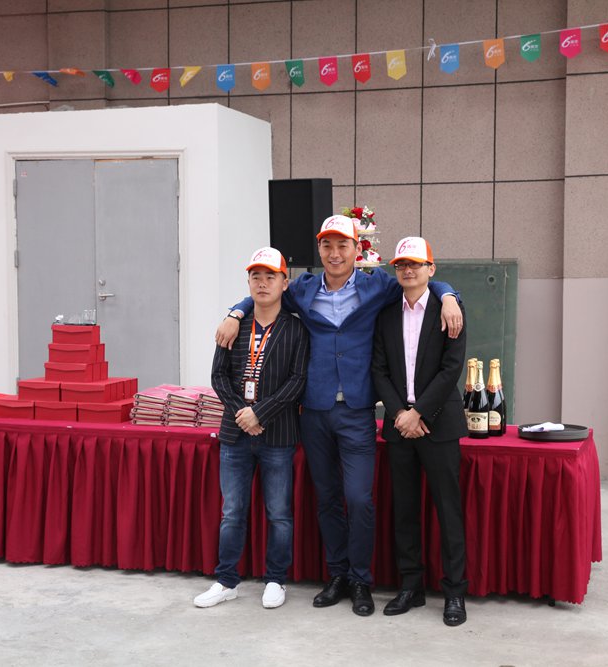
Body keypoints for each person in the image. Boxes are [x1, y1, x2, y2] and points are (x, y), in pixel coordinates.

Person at [215, 215, 463, 616]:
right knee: (328, 498)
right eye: (327, 246)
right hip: (314, 410)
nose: (334, 253)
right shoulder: (303, 289)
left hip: (357, 410)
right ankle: (338, 575)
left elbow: (419, 280)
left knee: (359, 498)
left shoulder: (377, 285)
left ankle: (362, 580)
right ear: (319, 249)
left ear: (356, 250)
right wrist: (235, 311)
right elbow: (265, 293)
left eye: (342, 245)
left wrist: (449, 294)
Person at [196, 247, 309, 610]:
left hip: (278, 435)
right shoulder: (234, 325)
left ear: (284, 283)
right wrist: (241, 413)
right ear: (248, 282)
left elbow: (298, 381)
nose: (262, 283)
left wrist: (260, 413)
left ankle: (276, 579)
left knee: (279, 513)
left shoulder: (296, 328)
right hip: (235, 435)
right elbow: (218, 376)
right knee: (232, 512)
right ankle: (226, 580)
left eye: (270, 277)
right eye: (255, 277)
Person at [371, 236, 469, 626]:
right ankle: (410, 586)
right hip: (400, 426)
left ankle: (455, 592)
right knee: (405, 510)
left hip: (438, 424)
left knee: (448, 510)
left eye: (415, 264)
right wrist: (400, 413)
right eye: (401, 265)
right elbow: (379, 369)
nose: (408, 270)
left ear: (431, 269)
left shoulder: (450, 310)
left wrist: (419, 413)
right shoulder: (385, 314)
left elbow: (451, 368)